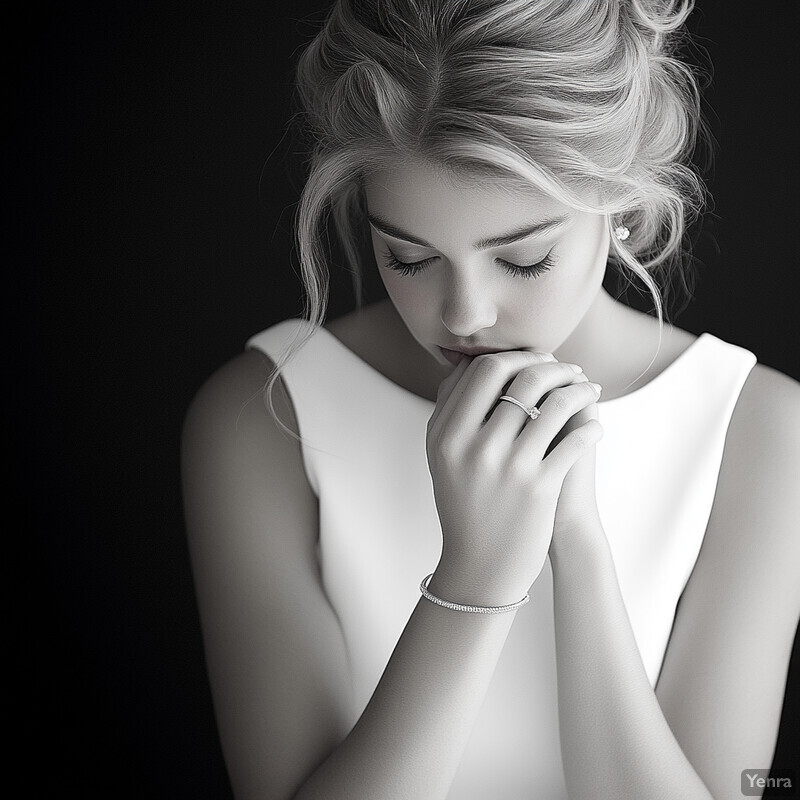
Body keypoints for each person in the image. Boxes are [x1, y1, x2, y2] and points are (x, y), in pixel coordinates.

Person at [180, 1, 800, 798]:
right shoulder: (265, 420)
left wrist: (574, 540)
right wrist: (476, 578)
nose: (464, 315)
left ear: (625, 199)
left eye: (526, 259)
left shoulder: (758, 432)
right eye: (407, 257)